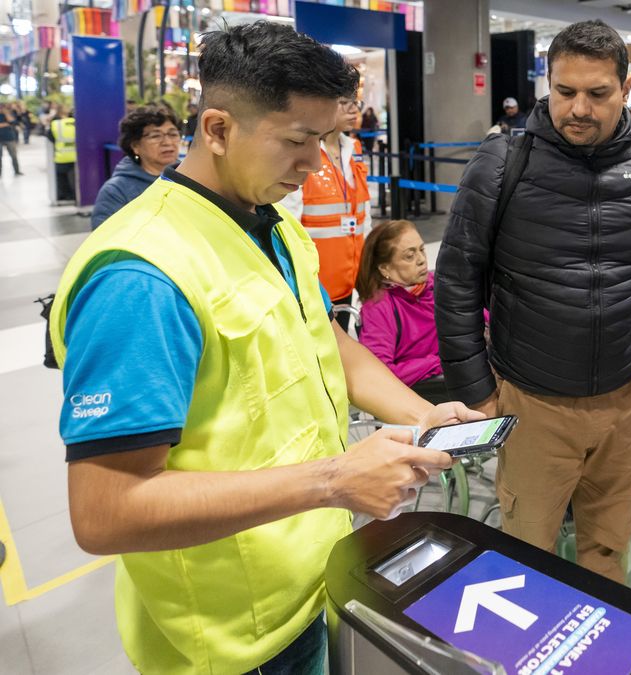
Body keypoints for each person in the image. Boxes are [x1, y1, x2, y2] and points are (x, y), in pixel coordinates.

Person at [47, 22, 476, 674]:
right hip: (231, 633)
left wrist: (421, 412)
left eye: (324, 139)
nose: (313, 165)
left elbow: (326, 341)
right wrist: (334, 478)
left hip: (313, 574)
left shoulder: (272, 224)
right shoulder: (142, 276)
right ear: (217, 129)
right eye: (298, 141)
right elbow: (106, 510)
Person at [437, 19, 631, 584]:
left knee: (608, 555)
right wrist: (476, 389)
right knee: (527, 560)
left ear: (626, 90)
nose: (578, 108)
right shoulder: (502, 164)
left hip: (628, 398)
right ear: (548, 84)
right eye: (565, 92)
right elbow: (458, 279)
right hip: (533, 402)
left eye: (597, 93)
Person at [279, 92, 372, 318]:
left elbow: (364, 212)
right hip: (316, 283)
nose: (353, 109)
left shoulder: (354, 149)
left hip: (354, 275)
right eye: (344, 103)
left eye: (355, 103)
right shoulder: (304, 154)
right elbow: (288, 221)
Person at [356, 219, 450, 401]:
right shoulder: (379, 308)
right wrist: (441, 362)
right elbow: (379, 374)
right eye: (410, 256)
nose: (422, 260)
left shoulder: (436, 284)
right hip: (419, 395)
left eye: (422, 250)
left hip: (452, 382)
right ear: (385, 268)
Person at [91, 105, 183, 229]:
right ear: (135, 146)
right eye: (155, 136)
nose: (167, 142)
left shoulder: (191, 179)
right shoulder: (116, 191)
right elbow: (103, 239)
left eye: (173, 134)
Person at [47, 108, 76, 202]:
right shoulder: (78, 122)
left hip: (61, 157)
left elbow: (50, 138)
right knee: (75, 180)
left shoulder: (56, 124)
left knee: (61, 178)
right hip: (77, 157)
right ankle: (75, 196)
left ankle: (64, 196)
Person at [0, 104, 21, 176]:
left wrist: (6, 113)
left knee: (14, 155)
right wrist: (5, 124)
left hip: (9, 137)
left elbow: (13, 122)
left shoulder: (8, 113)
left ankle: (17, 171)